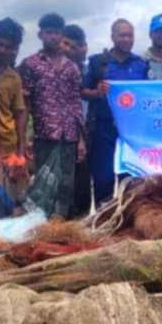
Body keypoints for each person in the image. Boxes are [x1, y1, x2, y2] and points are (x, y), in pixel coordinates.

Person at [18, 13, 85, 219]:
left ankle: (59, 228)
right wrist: (23, 139)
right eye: (49, 32)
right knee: (43, 186)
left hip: (69, 137)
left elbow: (76, 105)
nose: (53, 37)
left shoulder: (72, 68)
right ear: (40, 35)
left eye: (57, 33)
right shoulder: (30, 65)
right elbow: (24, 105)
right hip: (44, 137)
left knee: (66, 187)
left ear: (62, 36)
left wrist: (81, 141)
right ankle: (39, 227)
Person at [83, 19, 150, 206]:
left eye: (130, 35)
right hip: (103, 129)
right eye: (122, 35)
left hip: (131, 132)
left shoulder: (141, 65)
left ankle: (127, 217)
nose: (127, 39)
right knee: (103, 179)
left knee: (130, 180)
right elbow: (82, 91)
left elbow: (149, 96)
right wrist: (97, 92)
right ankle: (103, 217)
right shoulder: (98, 62)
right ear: (112, 37)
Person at [0, 17, 28, 219]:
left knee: (7, 202)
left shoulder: (14, 78)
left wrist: (21, 150)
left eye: (8, 47)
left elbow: (19, 112)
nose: (2, 50)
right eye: (0, 44)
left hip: (8, 146)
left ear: (14, 50)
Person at [63, 24, 92, 217]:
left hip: (88, 131)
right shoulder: (56, 70)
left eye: (80, 45)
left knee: (83, 184)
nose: (76, 50)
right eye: (69, 45)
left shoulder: (91, 70)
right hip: (65, 135)